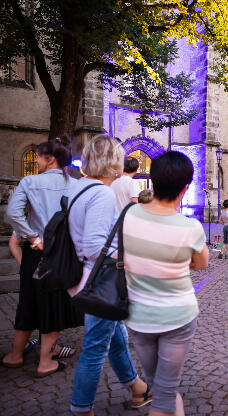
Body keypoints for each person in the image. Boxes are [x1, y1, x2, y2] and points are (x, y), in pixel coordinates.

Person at [66, 135, 150, 415]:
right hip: (100, 282)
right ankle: (81, 408)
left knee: (117, 337)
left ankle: (137, 388)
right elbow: (93, 246)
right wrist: (126, 260)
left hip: (86, 278)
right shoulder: (101, 193)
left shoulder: (80, 188)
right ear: (113, 162)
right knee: (94, 348)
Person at [123, 151, 210, 416]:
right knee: (163, 397)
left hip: (138, 316)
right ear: (185, 188)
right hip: (177, 318)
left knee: (161, 387)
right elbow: (202, 263)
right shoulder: (190, 228)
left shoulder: (128, 216)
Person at [3, 137, 83, 377]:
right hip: (63, 253)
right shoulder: (78, 185)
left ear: (50, 159)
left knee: (27, 300)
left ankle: (15, 355)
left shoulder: (29, 182)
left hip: (35, 252)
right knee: (55, 304)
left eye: (38, 156)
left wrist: (33, 238)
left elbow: (13, 213)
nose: (35, 160)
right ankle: (45, 360)